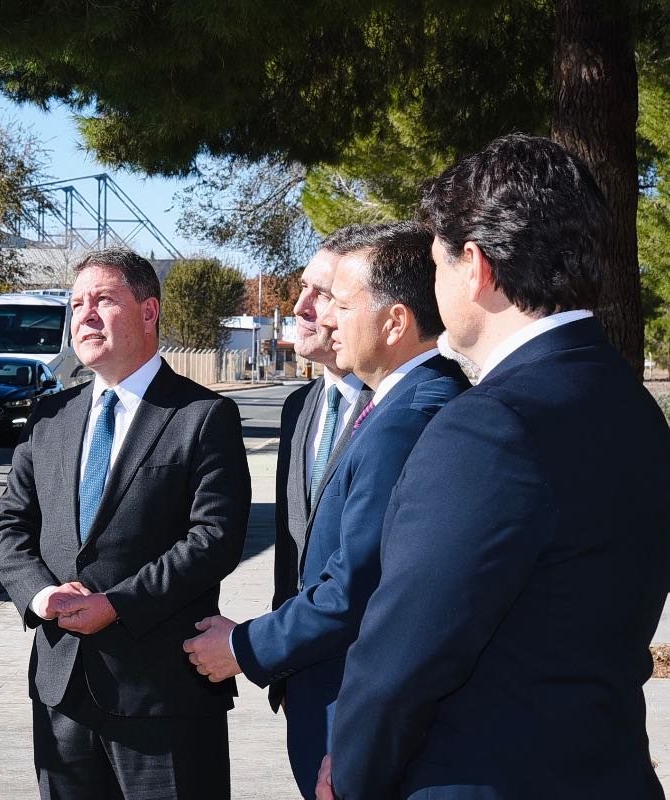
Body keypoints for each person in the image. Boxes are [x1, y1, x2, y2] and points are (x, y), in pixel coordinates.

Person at [321, 134, 670, 799]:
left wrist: (353, 774)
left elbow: (403, 655)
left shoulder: (487, 426)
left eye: (437, 263)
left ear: (475, 267)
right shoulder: (629, 402)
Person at [183, 223, 468, 799]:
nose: (322, 315)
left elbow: (362, 586)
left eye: (338, 300)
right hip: (317, 691)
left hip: (362, 703)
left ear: (394, 320)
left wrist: (247, 646)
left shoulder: (408, 418)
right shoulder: (358, 406)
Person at [0, 246, 251, 800]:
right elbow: (9, 529)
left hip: (163, 697)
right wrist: (42, 598)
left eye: (103, 300)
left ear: (149, 312)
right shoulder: (50, 418)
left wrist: (117, 605)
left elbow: (214, 540)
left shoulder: (203, 417)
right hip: (62, 693)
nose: (84, 316)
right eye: (77, 303)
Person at [267, 227, 374, 697]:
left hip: (363, 682)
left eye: (323, 294)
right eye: (302, 288)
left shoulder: (402, 408)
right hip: (299, 678)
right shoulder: (299, 406)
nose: (300, 307)